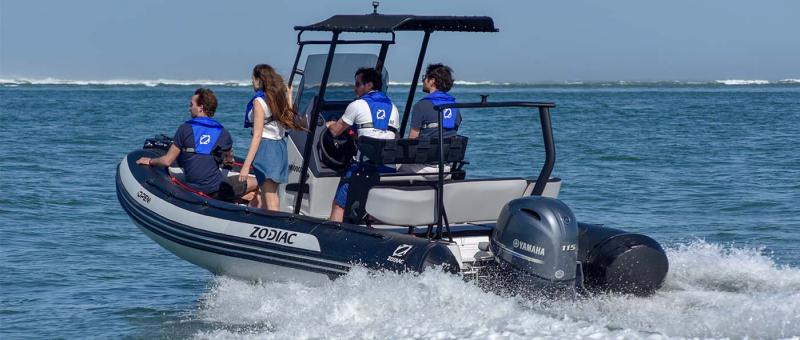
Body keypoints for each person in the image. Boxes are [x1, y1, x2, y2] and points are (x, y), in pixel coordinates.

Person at [137, 88, 258, 202]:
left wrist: (150, 161)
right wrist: (225, 159)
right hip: (216, 189)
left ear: (201, 107)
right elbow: (229, 159)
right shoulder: (223, 133)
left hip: (193, 187)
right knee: (258, 181)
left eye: (191, 105)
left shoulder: (185, 129)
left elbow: (167, 161)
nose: (189, 108)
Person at [325, 67, 400, 222]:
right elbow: (393, 137)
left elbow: (335, 132)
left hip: (363, 169)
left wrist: (328, 124)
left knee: (339, 203)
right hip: (387, 169)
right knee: (374, 204)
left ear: (369, 85)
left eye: (358, 84)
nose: (355, 88)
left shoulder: (357, 105)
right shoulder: (393, 108)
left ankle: (332, 234)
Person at [238, 64, 304, 212]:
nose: (252, 83)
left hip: (266, 149)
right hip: (280, 148)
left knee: (270, 198)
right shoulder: (277, 99)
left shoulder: (259, 101)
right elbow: (288, 124)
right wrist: (289, 96)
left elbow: (257, 135)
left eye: (253, 79)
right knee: (267, 193)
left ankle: (276, 229)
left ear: (259, 80)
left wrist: (246, 165)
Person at [402, 63, 462, 175]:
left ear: (432, 81)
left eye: (425, 77)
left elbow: (412, 139)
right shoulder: (455, 107)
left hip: (423, 167)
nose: (423, 81)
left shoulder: (421, 105)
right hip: (446, 168)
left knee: (392, 166)